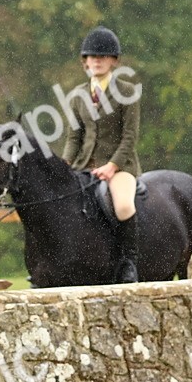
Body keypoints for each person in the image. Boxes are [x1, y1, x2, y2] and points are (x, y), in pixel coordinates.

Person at [61, 26, 142, 283]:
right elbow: (74, 138)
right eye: (91, 56)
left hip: (120, 167)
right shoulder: (77, 96)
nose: (96, 60)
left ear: (113, 60)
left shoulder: (127, 92)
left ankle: (129, 263)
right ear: (85, 62)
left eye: (102, 56)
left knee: (123, 205)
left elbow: (129, 137)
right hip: (85, 165)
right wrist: (64, 165)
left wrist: (112, 166)